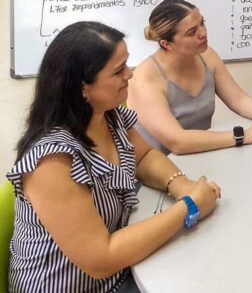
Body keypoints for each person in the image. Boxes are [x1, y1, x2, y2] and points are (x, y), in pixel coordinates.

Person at [6, 22, 221, 292]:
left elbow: (144, 158)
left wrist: (180, 184)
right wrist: (189, 206)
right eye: (118, 71)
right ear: (83, 87)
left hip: (121, 268)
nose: (129, 75)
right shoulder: (51, 162)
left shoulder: (108, 114)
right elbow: (101, 259)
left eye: (126, 64)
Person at [128, 0, 252, 155]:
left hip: (200, 155)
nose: (203, 33)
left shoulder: (206, 55)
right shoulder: (145, 78)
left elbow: (238, 100)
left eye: (202, 23)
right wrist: (243, 136)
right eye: (191, 32)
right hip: (160, 166)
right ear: (166, 44)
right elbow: (178, 142)